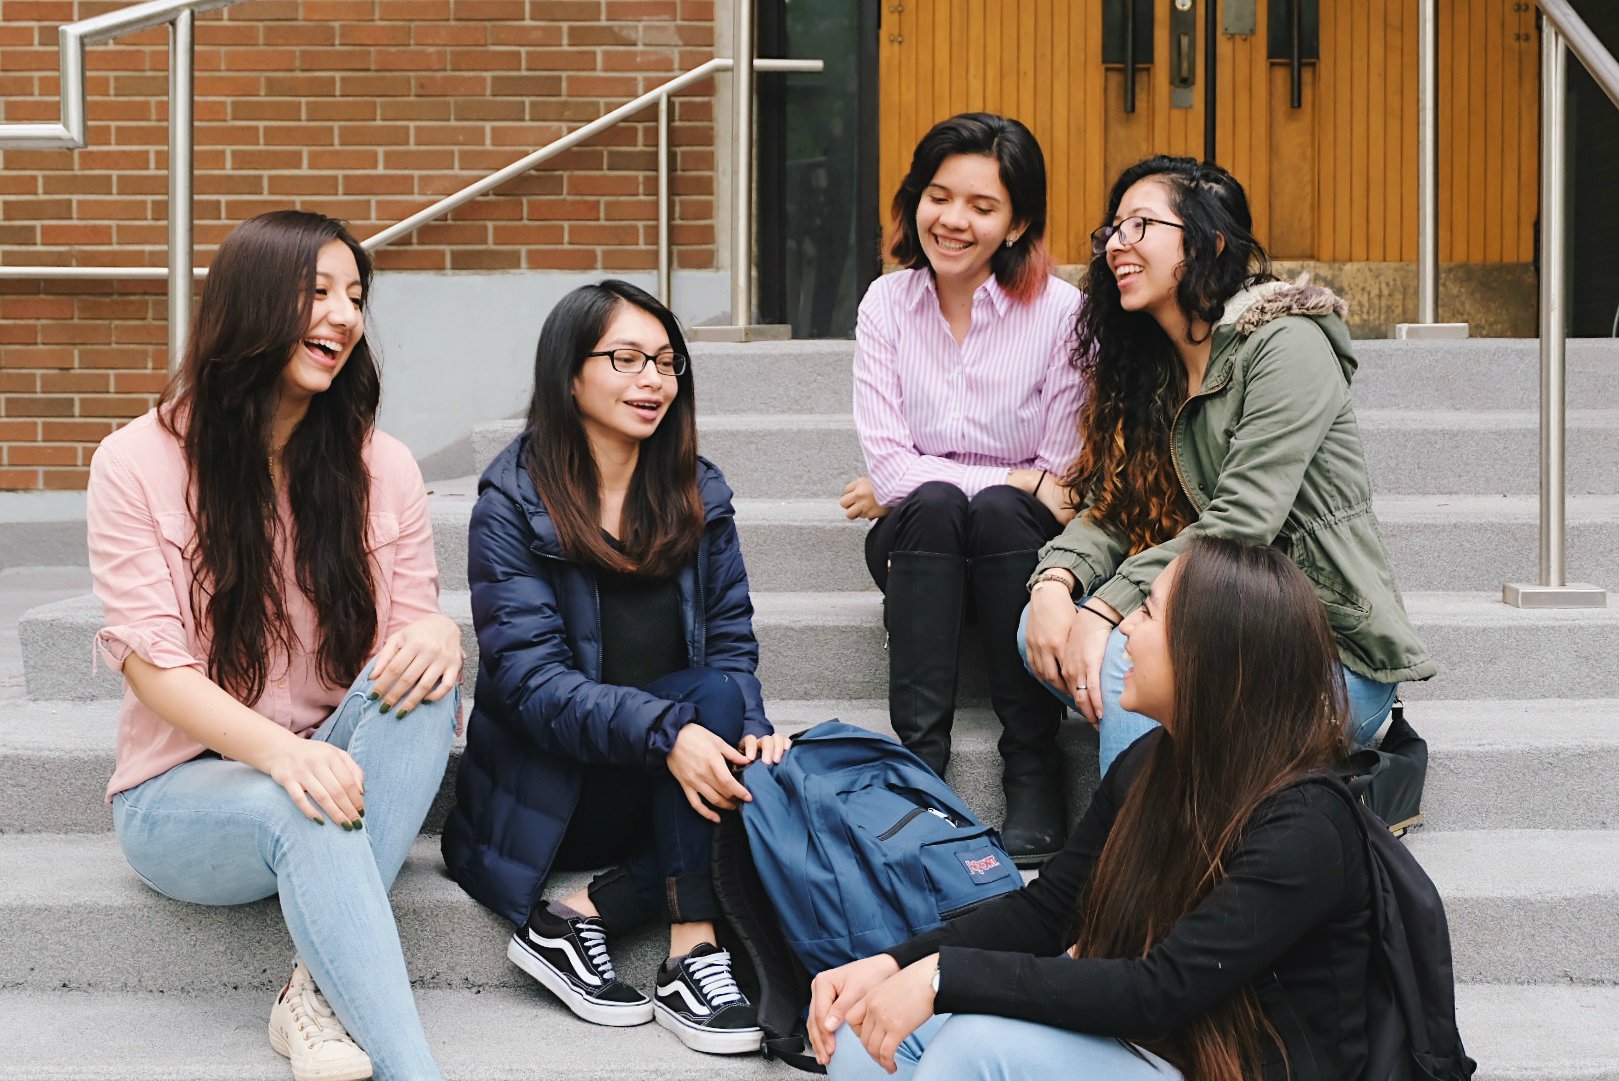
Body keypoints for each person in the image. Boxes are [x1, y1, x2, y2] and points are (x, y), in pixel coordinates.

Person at [87, 210, 462, 1081]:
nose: (342, 315)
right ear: (251, 305)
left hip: (333, 763)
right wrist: (282, 758)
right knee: (309, 799)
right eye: (317, 292)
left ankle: (316, 990)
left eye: (355, 297)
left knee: (427, 680)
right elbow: (151, 664)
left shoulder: (385, 466)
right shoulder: (135, 461)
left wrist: (439, 629)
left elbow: (407, 637)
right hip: (182, 792)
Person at [809, 536, 1385, 1081]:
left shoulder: (1305, 824)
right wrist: (895, 965)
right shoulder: (1152, 763)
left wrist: (943, 977)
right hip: (1154, 1049)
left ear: (1212, 654)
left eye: (1149, 612)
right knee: (862, 1029)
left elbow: (1158, 992)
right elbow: (1047, 914)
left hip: (1228, 1064)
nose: (1125, 630)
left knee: (977, 1046)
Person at [441, 280, 789, 1056]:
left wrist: (752, 727)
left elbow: (730, 637)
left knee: (731, 717)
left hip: (668, 768)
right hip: (555, 789)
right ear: (569, 374)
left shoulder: (695, 490)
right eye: (626, 359)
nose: (653, 380)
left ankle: (581, 918)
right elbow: (531, 686)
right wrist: (672, 733)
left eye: (666, 362)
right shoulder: (512, 501)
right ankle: (693, 949)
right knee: (704, 712)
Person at [1022, 156, 1436, 777]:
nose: (1115, 245)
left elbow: (1243, 523)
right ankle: (1188, 795)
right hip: (1208, 625)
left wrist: (1106, 608)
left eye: (1139, 225)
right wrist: (1056, 583)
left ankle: (1135, 855)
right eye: (1111, 229)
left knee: (1125, 659)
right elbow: (1114, 509)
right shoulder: (1152, 370)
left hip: (1322, 651)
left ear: (1210, 241)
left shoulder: (1284, 344)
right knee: (1035, 622)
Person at [839, 112, 1086, 865]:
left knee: (1000, 510)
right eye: (938, 196)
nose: (952, 220)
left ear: (1017, 225)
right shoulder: (886, 304)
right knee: (943, 504)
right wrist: (999, 476)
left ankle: (1032, 765)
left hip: (1017, 543)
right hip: (921, 539)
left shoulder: (1061, 314)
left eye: (981, 207)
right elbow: (889, 468)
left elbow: (1058, 474)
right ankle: (918, 765)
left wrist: (931, 473)